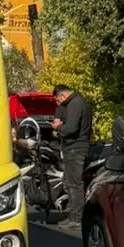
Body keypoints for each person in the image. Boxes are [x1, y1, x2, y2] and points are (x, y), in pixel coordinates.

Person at [51, 84, 93, 229]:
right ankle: (73, 216)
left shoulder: (74, 104)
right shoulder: (82, 102)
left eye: (59, 100)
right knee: (70, 182)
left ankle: (76, 219)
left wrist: (58, 128)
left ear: (62, 95)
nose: (60, 104)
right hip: (78, 147)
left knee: (74, 184)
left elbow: (71, 128)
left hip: (75, 148)